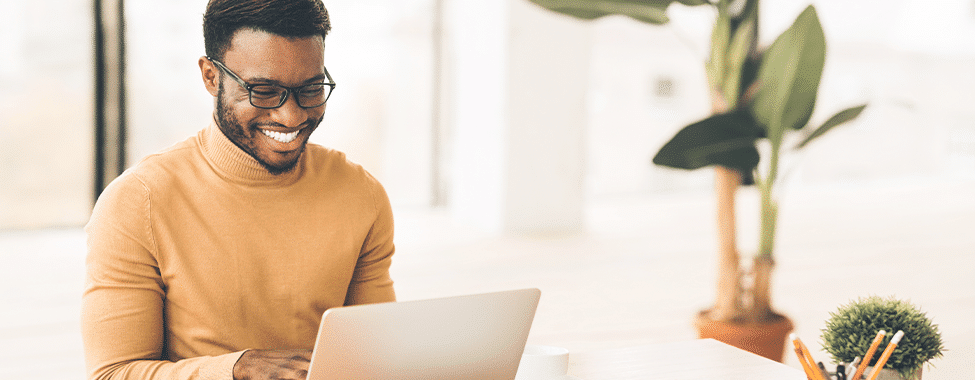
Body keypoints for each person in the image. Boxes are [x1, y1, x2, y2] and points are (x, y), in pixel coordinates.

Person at [81, 1, 396, 379]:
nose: (291, 116)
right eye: (264, 91)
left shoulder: (361, 196)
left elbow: (376, 358)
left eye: (311, 89)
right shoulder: (136, 203)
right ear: (211, 76)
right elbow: (114, 373)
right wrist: (237, 368)